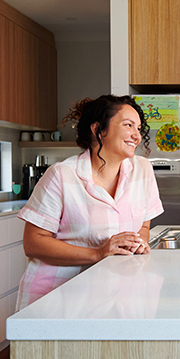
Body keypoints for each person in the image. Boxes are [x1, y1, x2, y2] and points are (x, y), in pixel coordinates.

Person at [15, 95, 164, 309]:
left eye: (139, 128)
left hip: (119, 295)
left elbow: (143, 225)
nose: (137, 136)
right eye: (128, 125)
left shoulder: (143, 170)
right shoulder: (61, 175)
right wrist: (97, 253)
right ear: (98, 130)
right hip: (58, 299)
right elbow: (33, 242)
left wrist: (137, 243)